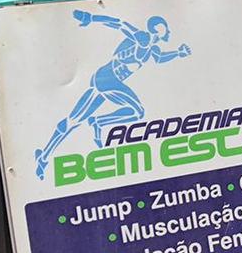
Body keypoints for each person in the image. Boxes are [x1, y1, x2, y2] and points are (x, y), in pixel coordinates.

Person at [34, 11, 192, 179]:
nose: (168, 31)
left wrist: (178, 53)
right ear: (157, 30)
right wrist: (91, 18)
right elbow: (120, 24)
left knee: (74, 121)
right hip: (107, 79)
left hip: (111, 82)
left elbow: (160, 58)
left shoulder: (152, 48)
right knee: (135, 111)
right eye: (165, 28)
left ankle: (44, 156)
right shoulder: (143, 38)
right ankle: (97, 123)